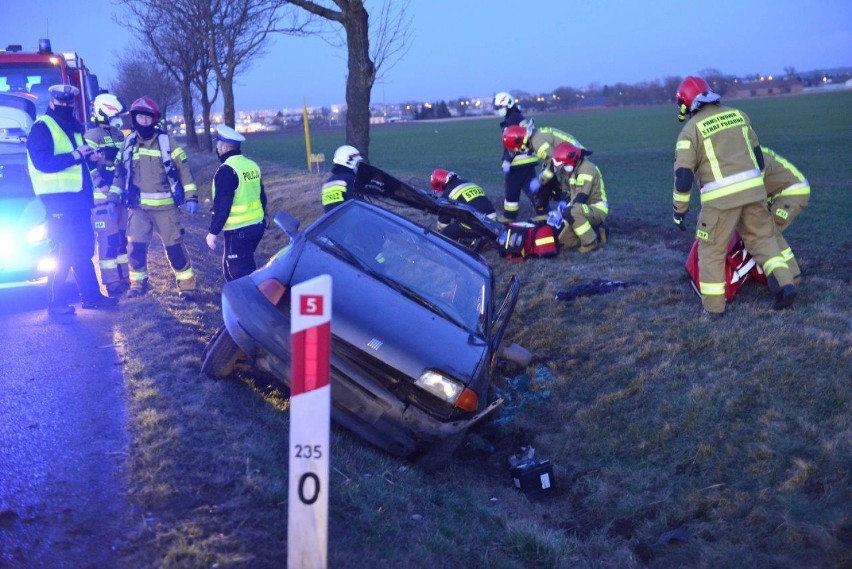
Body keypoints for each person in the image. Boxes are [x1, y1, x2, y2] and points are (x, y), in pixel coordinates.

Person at [671, 76, 796, 316]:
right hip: (754, 192)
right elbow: (758, 159)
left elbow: (684, 176)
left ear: (686, 102)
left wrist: (679, 211)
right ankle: (785, 285)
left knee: (711, 250)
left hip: (720, 202)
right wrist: (755, 190)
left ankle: (714, 308)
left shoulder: (689, 131)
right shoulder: (739, 115)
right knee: (763, 239)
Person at [25, 84, 119, 314]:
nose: (66, 106)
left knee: (82, 250)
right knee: (64, 252)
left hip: (77, 202)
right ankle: (56, 303)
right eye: (62, 103)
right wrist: (77, 155)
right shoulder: (42, 127)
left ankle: (92, 297)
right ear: (52, 103)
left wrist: (91, 157)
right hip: (58, 202)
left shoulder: (73, 128)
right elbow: (43, 162)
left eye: (70, 103)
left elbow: (78, 161)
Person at [113, 96, 199, 299]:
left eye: (147, 117)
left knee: (175, 249)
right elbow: (119, 173)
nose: (144, 121)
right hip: (138, 209)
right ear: (134, 119)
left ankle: (187, 287)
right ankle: (138, 285)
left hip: (166, 208)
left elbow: (184, 171)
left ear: (154, 119)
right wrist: (112, 198)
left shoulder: (167, 142)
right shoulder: (128, 144)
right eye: (140, 117)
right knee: (135, 249)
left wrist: (191, 197)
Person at [205, 125, 268, 282]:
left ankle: (251, 304)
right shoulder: (251, 165)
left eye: (218, 145)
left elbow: (223, 206)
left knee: (238, 275)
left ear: (224, 147)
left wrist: (212, 233)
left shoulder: (227, 170)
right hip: (256, 226)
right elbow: (261, 195)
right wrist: (265, 215)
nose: (217, 148)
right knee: (238, 267)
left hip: (238, 231)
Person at [85, 93, 129, 297]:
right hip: (101, 198)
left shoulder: (119, 135)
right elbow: (89, 166)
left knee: (121, 239)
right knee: (109, 240)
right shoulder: (91, 136)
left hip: (119, 196)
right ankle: (111, 283)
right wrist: (101, 185)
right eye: (114, 115)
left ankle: (124, 278)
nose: (117, 119)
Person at [503, 122, 585, 218]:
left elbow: (554, 163)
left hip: (574, 158)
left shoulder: (538, 144)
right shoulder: (534, 138)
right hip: (571, 156)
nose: (516, 150)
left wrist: (540, 180)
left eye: (516, 147)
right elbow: (551, 160)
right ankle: (561, 210)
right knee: (555, 185)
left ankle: (571, 215)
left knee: (569, 188)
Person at [545, 142, 608, 253]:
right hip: (582, 207)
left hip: (596, 208)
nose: (563, 168)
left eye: (564, 165)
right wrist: (560, 209)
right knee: (564, 241)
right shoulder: (574, 169)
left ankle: (590, 242)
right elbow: (568, 193)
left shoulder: (587, 168)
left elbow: (582, 195)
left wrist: (565, 211)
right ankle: (598, 231)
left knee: (572, 213)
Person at [761, 146, 809, 284]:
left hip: (792, 193)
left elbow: (754, 189)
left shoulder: (754, 158)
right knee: (766, 229)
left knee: (769, 230)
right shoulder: (755, 151)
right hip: (784, 192)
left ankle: (792, 275)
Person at [429, 168, 497, 242]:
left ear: (440, 183)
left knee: (448, 232)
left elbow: (443, 222)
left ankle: (468, 244)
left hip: (480, 224)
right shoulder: (467, 183)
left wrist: (440, 231)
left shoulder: (448, 194)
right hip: (493, 220)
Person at [321, 145, 363, 212]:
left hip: (335, 221)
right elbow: (356, 205)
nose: (357, 167)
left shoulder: (328, 182)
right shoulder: (350, 179)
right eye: (356, 164)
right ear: (349, 162)